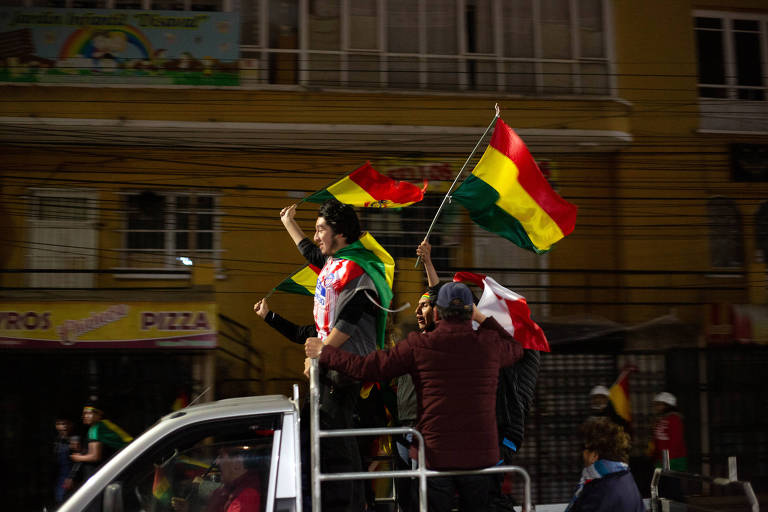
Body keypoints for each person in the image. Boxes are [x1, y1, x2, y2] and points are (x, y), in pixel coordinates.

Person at [307, 282, 524, 512]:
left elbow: (365, 367)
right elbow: (516, 348)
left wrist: (325, 352)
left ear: (438, 312)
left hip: (435, 455)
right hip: (480, 457)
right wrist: (482, 318)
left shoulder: (419, 345)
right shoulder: (489, 344)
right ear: (470, 312)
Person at [257, 198, 390, 512]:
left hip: (342, 373)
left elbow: (349, 321)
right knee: (315, 441)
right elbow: (310, 252)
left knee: (338, 446)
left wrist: (321, 354)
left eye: (321, 230)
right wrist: (288, 221)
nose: (316, 236)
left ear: (340, 233)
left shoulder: (358, 269)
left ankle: (351, 506)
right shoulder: (335, 265)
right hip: (329, 368)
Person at [564, 417, 644, 512]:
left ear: (594, 455)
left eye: (583, 447)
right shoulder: (624, 477)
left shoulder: (600, 491)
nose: (581, 453)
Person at [171, 445, 262, 512]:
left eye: (221, 457)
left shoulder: (247, 496)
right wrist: (189, 509)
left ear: (237, 464)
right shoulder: (231, 488)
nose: (217, 462)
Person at [71, 400, 133, 481]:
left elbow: (95, 456)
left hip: (129, 457)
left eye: (89, 413)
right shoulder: (101, 425)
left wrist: (77, 457)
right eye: (84, 413)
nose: (85, 416)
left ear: (100, 414)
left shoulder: (97, 428)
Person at [650, 392, 687, 471]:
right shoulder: (661, 419)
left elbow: (675, 441)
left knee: (670, 481)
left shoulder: (674, 419)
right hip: (661, 458)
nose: (656, 407)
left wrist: (667, 460)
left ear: (667, 406)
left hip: (673, 459)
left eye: (659, 405)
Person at [53, 417, 74, 506]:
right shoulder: (55, 440)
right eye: (60, 424)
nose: (63, 426)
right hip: (57, 474)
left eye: (65, 423)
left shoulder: (74, 440)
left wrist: (71, 477)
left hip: (67, 475)